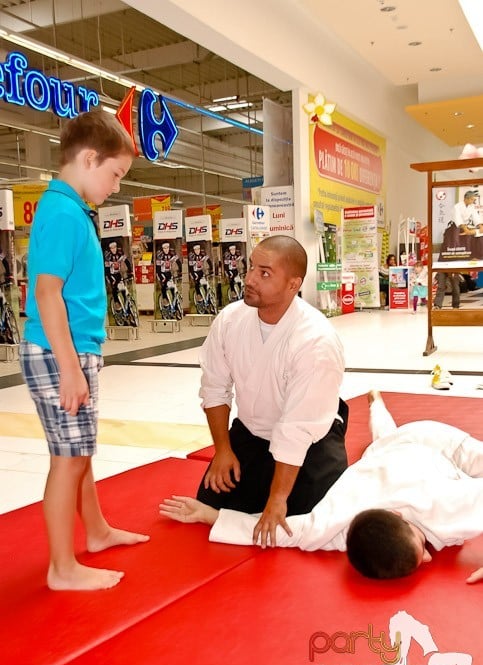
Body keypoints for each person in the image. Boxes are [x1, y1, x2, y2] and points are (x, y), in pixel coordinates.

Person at [160, 390, 483, 585]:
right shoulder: (338, 521)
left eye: (419, 548)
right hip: (392, 453)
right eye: (424, 549)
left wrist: (215, 516)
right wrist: (211, 515)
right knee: (384, 437)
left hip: (439, 445)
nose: (429, 558)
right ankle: (376, 403)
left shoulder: (447, 505)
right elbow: (287, 531)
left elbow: (288, 531)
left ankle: (376, 403)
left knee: (391, 436)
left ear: (397, 515)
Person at [19, 111, 149, 591]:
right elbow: (47, 294)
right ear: (90, 158)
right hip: (59, 354)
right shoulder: (61, 213)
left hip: (71, 351)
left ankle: (94, 531)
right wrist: (71, 370)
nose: (116, 187)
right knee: (67, 458)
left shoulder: (69, 211)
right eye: (114, 174)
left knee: (80, 452)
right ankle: (61, 567)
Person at [193, 234, 348, 548]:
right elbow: (214, 388)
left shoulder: (315, 340)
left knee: (310, 519)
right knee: (212, 499)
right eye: (251, 268)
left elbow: (297, 428)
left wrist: (278, 499)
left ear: (293, 284)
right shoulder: (230, 321)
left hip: (310, 440)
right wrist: (222, 451)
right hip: (251, 432)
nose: (249, 279)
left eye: (264, 273)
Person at [104, 239, 132, 310]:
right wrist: (110, 279)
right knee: (114, 288)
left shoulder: (120, 253)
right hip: (110, 274)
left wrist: (130, 271)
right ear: (110, 249)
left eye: (114, 247)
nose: (113, 249)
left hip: (118, 274)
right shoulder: (108, 256)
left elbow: (127, 262)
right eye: (112, 248)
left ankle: (127, 309)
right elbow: (106, 270)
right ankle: (116, 302)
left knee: (123, 290)